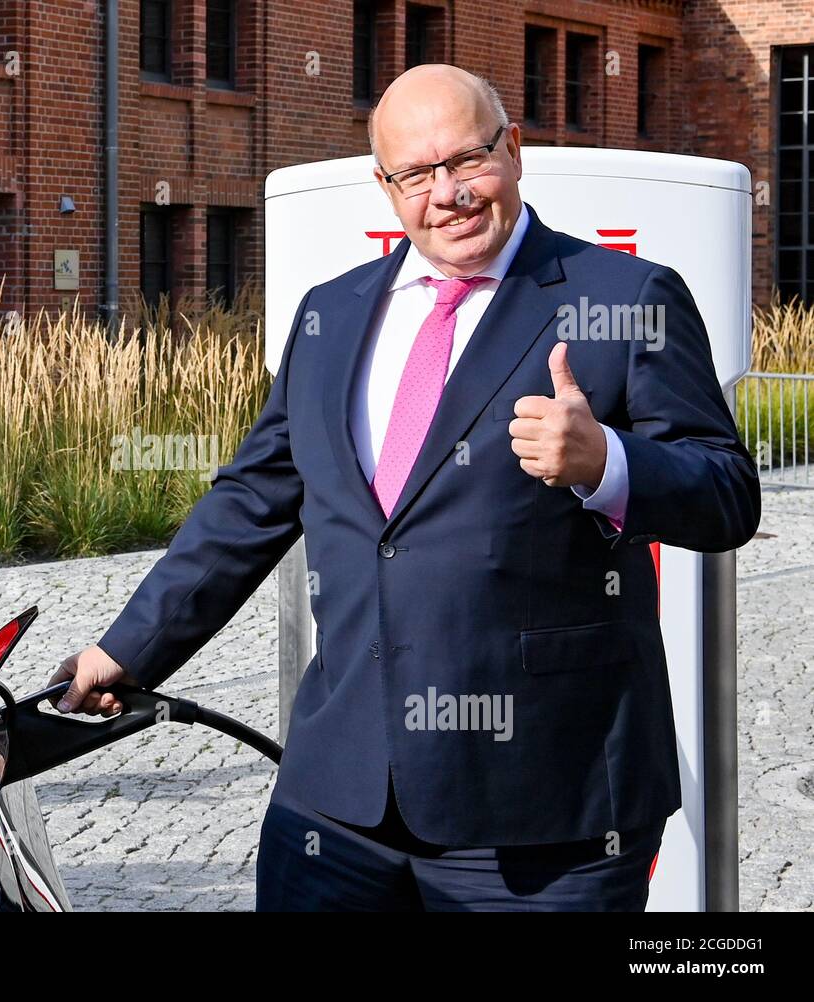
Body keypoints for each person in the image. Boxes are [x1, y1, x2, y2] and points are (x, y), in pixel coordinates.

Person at [49, 64, 761, 911]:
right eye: (417, 174)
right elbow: (248, 504)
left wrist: (606, 461)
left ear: (516, 151)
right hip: (338, 808)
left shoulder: (627, 296)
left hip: (546, 820)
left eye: (468, 160)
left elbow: (728, 493)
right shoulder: (331, 316)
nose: (449, 193)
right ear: (385, 187)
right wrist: (126, 649)